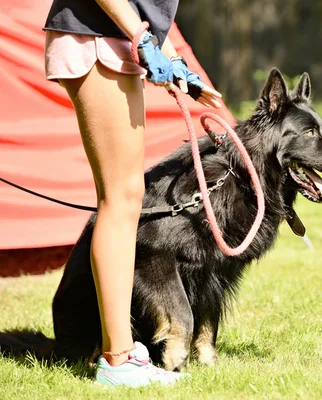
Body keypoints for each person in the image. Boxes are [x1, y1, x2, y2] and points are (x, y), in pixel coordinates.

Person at [43, 0, 222, 387]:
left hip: (114, 38)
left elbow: (147, 6)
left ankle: (121, 352)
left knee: (127, 196)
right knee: (120, 198)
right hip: (97, 36)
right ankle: (118, 359)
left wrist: (175, 60)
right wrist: (141, 37)